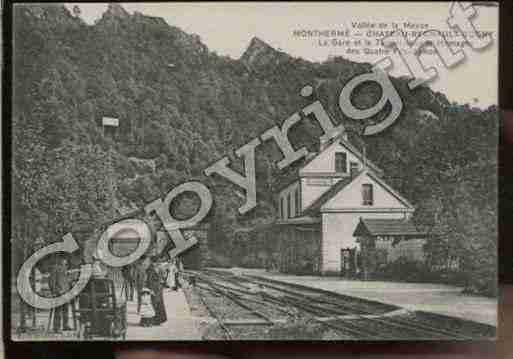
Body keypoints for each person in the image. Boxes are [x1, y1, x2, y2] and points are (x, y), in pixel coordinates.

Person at [48, 257, 72, 332]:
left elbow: (67, 281)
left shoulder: (65, 269)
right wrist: (54, 291)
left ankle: (65, 325)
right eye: (64, 261)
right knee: (58, 310)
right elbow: (51, 281)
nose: (65, 262)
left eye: (66, 262)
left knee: (66, 309)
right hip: (59, 292)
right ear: (60, 260)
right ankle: (56, 327)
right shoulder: (55, 269)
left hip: (66, 292)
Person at [146, 257, 167, 325]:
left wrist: (162, 280)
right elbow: (149, 280)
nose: (157, 263)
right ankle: (151, 320)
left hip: (158, 288)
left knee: (159, 304)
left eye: (157, 262)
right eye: (156, 262)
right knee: (153, 304)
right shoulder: (150, 269)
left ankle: (159, 320)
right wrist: (150, 289)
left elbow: (163, 277)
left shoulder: (158, 268)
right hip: (154, 287)